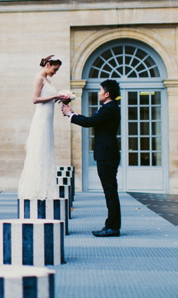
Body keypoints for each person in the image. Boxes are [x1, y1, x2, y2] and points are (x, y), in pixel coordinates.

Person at [61, 79, 122, 237]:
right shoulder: (109, 108)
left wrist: (70, 115)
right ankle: (112, 225)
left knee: (110, 191)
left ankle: (112, 227)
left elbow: (90, 122)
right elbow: (94, 121)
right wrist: (72, 114)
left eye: (100, 90)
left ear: (107, 94)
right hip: (107, 154)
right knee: (110, 190)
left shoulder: (109, 108)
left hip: (107, 155)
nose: (98, 93)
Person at [17, 55, 69, 200]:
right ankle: (35, 189)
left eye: (57, 70)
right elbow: (35, 99)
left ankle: (45, 187)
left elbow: (49, 98)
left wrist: (61, 98)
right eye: (54, 69)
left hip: (48, 119)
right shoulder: (39, 78)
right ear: (47, 64)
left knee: (47, 150)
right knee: (39, 150)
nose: (55, 72)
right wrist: (55, 96)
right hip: (41, 119)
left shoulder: (48, 80)